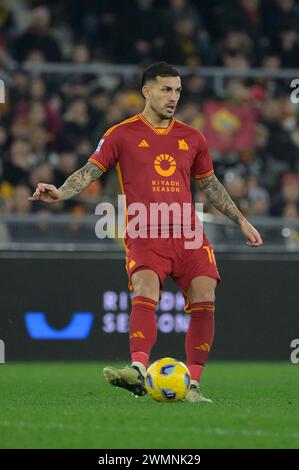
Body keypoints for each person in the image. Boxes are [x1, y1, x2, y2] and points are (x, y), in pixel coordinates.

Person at [29, 62, 263, 403]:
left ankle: (193, 386)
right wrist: (62, 192)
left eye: (178, 91)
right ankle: (138, 370)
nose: (173, 97)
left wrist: (240, 219)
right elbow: (89, 170)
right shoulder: (120, 134)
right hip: (144, 228)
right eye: (166, 89)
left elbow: (209, 185)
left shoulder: (192, 137)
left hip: (188, 232)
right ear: (147, 91)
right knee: (145, 289)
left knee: (205, 295)